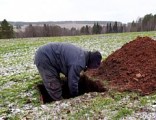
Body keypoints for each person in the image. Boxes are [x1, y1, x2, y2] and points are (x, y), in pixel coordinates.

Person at [34, 42, 102, 101]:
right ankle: (59, 103)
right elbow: (72, 82)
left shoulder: (83, 55)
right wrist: (75, 96)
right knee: (53, 85)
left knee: (57, 82)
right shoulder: (78, 63)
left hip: (50, 55)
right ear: (91, 62)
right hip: (45, 58)